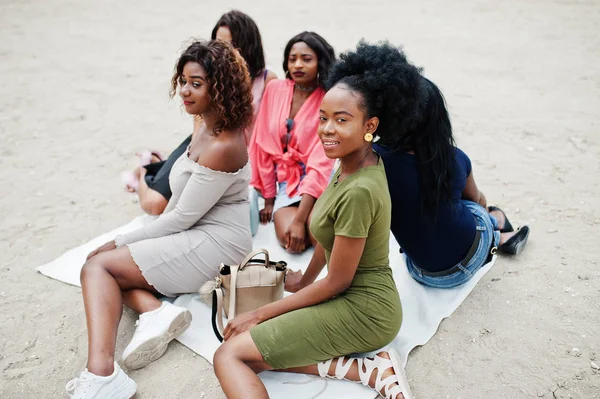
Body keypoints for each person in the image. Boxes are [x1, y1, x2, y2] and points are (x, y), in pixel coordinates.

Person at [213, 41, 423, 399]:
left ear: (370, 125)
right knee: (256, 354)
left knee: (228, 354)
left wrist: (261, 314)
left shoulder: (360, 189)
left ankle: (373, 365)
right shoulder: (352, 163)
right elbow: (331, 238)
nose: (326, 129)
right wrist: (302, 279)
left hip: (366, 311)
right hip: (349, 295)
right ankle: (368, 370)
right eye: (323, 118)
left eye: (341, 120)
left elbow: (337, 282)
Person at [65, 40, 254, 399]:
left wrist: (120, 240)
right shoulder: (204, 123)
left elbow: (181, 217)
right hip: (195, 229)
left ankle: (103, 375)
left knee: (97, 268)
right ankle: (155, 311)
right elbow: (180, 207)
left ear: (221, 86)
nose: (184, 90)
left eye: (196, 83)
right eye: (183, 80)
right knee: (107, 274)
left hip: (217, 244)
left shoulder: (224, 144)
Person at [374, 77, 530, 289]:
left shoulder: (375, 159)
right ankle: (499, 233)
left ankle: (496, 222)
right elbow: (475, 200)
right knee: (476, 206)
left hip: (419, 271)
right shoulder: (454, 158)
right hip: (467, 264)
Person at [124, 10, 275, 216]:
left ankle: (158, 163)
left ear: (247, 45)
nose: (222, 50)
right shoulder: (212, 76)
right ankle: (144, 169)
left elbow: (267, 133)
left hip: (239, 156)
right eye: (218, 43)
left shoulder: (267, 80)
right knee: (156, 205)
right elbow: (198, 121)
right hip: (201, 143)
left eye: (230, 45)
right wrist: (194, 162)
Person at [249, 31, 336, 251]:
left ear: (320, 63)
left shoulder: (329, 98)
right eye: (292, 59)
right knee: (289, 240)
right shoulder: (275, 89)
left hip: (319, 179)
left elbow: (320, 164)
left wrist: (300, 220)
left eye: (307, 59)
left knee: (319, 236)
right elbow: (263, 147)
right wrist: (269, 198)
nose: (298, 64)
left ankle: (311, 216)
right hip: (286, 182)